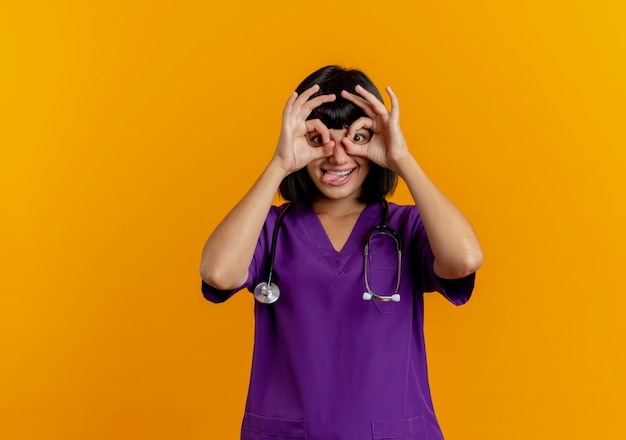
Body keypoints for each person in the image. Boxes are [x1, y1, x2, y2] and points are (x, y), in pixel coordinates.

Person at [200, 65, 483, 440]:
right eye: (319, 140)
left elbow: (464, 258)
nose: (337, 156)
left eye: (358, 136)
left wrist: (403, 159)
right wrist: (279, 164)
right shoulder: (270, 230)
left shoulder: (407, 227)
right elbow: (218, 271)